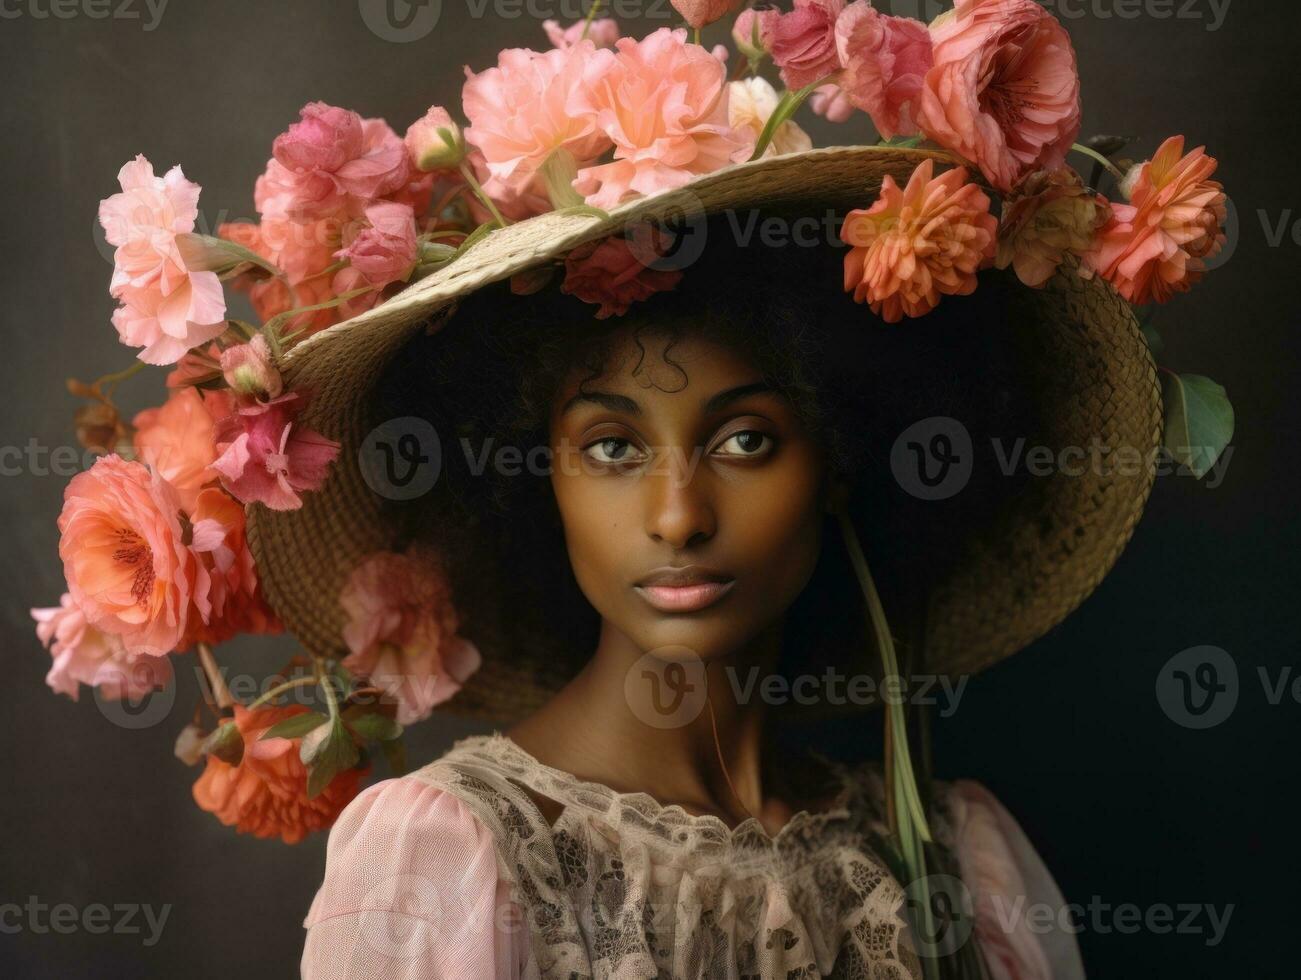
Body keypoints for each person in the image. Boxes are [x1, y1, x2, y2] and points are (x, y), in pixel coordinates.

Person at [262, 148, 1157, 978]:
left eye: (745, 440)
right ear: (539, 478)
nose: (679, 515)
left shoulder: (955, 857)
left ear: (840, 461)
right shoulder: (452, 856)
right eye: (611, 448)